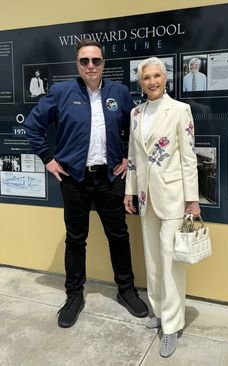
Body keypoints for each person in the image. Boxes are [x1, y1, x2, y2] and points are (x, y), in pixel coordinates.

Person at [24, 40, 148, 328]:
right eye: (84, 61)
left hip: (109, 179)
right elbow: (33, 125)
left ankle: (127, 291)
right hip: (74, 179)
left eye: (95, 60)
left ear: (104, 63)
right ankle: (74, 295)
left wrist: (128, 159)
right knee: (76, 239)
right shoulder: (61, 92)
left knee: (119, 236)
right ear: (77, 64)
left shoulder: (119, 92)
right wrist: (48, 159)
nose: (90, 66)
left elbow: (138, 130)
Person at [124, 57, 200, 358]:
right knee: (153, 260)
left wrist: (192, 199)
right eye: (146, 77)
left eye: (157, 76)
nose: (152, 81)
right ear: (140, 82)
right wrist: (129, 191)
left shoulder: (180, 110)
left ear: (165, 79)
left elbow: (188, 157)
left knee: (170, 263)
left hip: (172, 196)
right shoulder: (135, 113)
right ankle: (157, 310)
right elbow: (132, 154)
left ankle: (171, 324)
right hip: (145, 197)